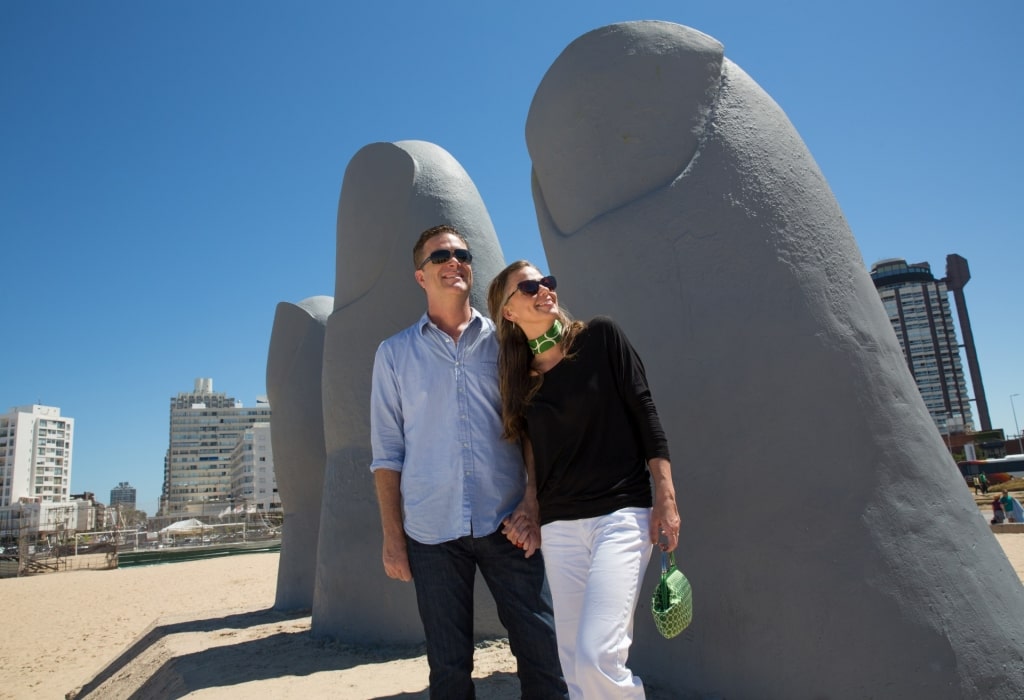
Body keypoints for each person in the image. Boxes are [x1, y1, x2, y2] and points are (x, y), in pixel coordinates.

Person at [369, 226, 567, 700]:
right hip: (430, 534)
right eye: (441, 255)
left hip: (508, 522)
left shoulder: (506, 342)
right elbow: (387, 454)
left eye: (462, 253)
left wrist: (532, 503)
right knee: (449, 668)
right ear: (421, 275)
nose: (453, 260)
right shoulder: (393, 354)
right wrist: (394, 539)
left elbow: (531, 430)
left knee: (542, 652)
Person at [487, 260, 681, 700]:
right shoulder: (521, 381)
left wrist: (666, 496)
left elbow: (645, 413)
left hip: (621, 514)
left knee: (597, 657)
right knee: (575, 669)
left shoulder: (601, 337)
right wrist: (532, 504)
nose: (545, 290)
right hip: (560, 530)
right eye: (530, 286)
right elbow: (533, 447)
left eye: (547, 282)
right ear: (509, 312)